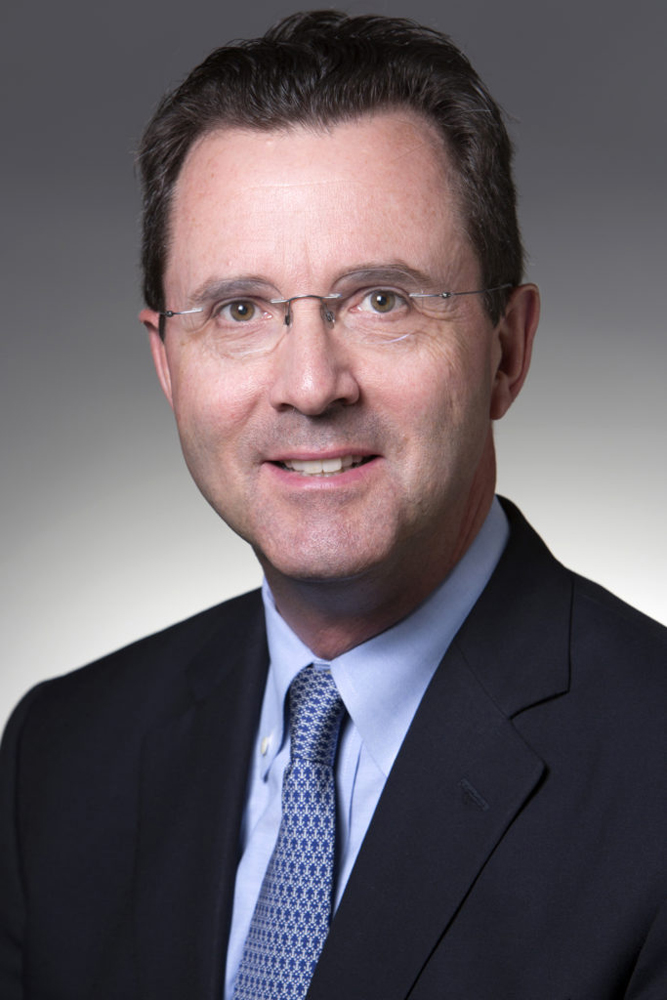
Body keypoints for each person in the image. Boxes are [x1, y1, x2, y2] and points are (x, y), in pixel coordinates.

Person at [1, 10, 665, 999]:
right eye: (238, 309)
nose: (311, 384)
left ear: (506, 349)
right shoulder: (60, 756)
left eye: (382, 299)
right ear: (167, 365)